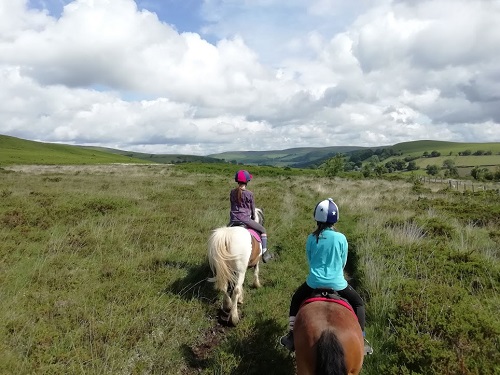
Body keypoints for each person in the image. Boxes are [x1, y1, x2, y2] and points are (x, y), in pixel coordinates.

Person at [280, 198, 373, 354]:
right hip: (338, 284)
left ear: (317, 218)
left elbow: (310, 261)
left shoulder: (311, 238)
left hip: (313, 283)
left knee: (296, 298)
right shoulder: (341, 238)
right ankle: (362, 339)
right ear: (335, 219)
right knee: (358, 303)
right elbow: (343, 262)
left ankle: (291, 335)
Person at [229, 170, 274, 263]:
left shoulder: (232, 192)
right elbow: (253, 210)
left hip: (233, 220)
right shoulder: (249, 194)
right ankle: (265, 253)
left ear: (237, 180)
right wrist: (253, 217)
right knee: (263, 230)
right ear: (247, 181)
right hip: (245, 220)